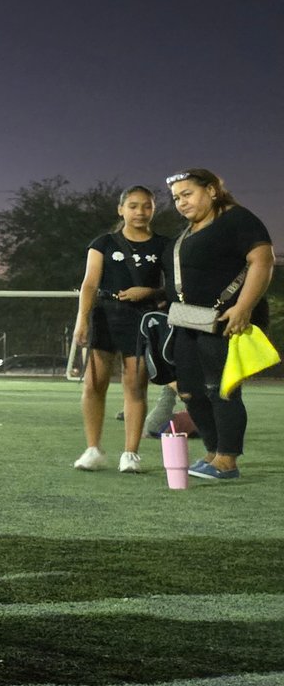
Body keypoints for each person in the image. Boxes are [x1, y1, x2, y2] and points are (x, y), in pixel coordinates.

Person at [164, 169, 273, 480]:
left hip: (224, 320)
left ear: (211, 190)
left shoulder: (237, 218)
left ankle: (227, 460)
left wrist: (243, 307)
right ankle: (212, 452)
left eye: (187, 194)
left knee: (220, 389)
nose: (181, 203)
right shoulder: (188, 231)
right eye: (176, 199)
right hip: (188, 321)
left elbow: (262, 260)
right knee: (190, 391)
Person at [72, 186, 168, 472]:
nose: (140, 212)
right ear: (121, 209)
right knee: (94, 384)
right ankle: (93, 450)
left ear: (153, 210)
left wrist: (148, 291)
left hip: (140, 317)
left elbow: (172, 288)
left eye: (147, 206)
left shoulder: (164, 244)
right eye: (134, 206)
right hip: (104, 314)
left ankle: (131, 453)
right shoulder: (103, 242)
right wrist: (82, 320)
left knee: (135, 385)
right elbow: (90, 284)